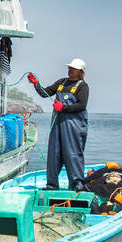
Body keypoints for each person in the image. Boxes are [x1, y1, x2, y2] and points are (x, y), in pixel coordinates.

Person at [28, 59, 89, 190]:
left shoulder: (82, 86)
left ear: (80, 72)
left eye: (73, 69)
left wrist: (63, 107)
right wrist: (36, 84)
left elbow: (82, 105)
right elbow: (45, 93)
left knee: (72, 153)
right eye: (69, 68)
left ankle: (76, 185)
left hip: (73, 125)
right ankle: (52, 185)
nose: (70, 70)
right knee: (54, 153)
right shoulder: (62, 82)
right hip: (57, 123)